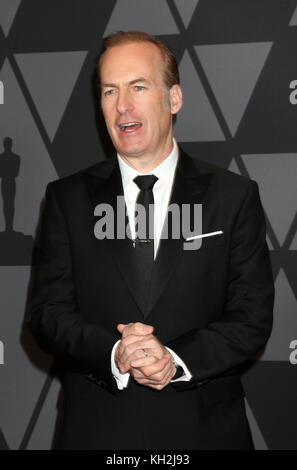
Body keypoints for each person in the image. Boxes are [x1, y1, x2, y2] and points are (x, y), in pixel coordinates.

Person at [27, 31, 274, 450]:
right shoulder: (65, 199)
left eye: (138, 87)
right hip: (96, 429)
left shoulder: (233, 196)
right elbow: (47, 314)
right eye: (110, 91)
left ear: (173, 99)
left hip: (204, 430)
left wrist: (175, 360)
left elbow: (251, 316)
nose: (123, 105)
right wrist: (115, 354)